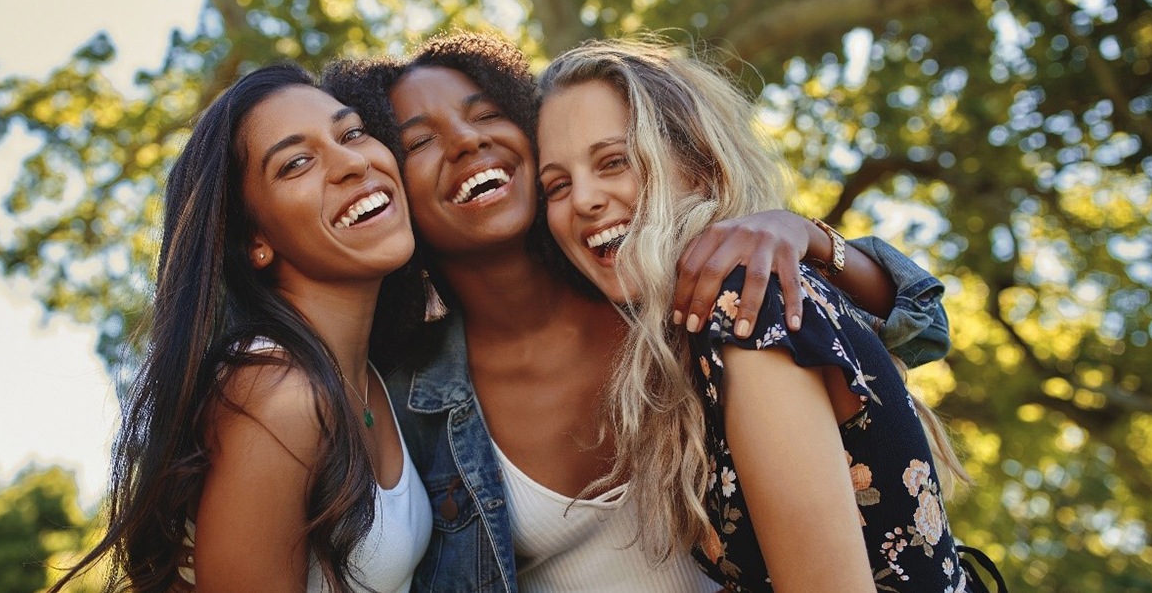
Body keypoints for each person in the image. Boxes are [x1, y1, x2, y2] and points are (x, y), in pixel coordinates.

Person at [323, 32, 957, 592]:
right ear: (390, 190)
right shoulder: (406, 403)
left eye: (485, 112)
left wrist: (808, 235)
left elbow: (918, 329)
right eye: (419, 142)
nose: (465, 141)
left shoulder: (689, 293)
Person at [535, 38, 989, 592]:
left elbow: (924, 324)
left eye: (614, 161)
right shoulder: (689, 327)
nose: (583, 198)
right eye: (557, 185)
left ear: (697, 166)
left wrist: (812, 235)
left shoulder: (747, 299)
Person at [49, 63, 430, 592]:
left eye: (352, 133)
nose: (350, 162)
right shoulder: (276, 393)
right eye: (297, 163)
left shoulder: (373, 372)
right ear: (256, 240)